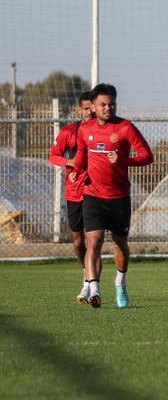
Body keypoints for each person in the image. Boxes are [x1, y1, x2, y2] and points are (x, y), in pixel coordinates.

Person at [70, 83, 154, 309]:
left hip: (119, 197)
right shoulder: (85, 129)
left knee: (119, 244)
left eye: (112, 103)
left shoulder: (125, 128)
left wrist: (123, 160)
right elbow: (81, 155)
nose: (108, 107)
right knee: (93, 242)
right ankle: (95, 289)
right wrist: (76, 172)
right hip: (92, 195)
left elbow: (147, 156)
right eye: (103, 104)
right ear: (94, 106)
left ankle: (120, 283)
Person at [48, 90, 94, 304]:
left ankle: (90, 284)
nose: (90, 113)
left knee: (93, 240)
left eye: (93, 109)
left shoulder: (101, 132)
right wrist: (71, 163)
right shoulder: (69, 132)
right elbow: (53, 156)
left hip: (95, 192)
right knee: (78, 242)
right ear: (79, 110)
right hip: (74, 192)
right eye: (86, 109)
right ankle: (86, 273)